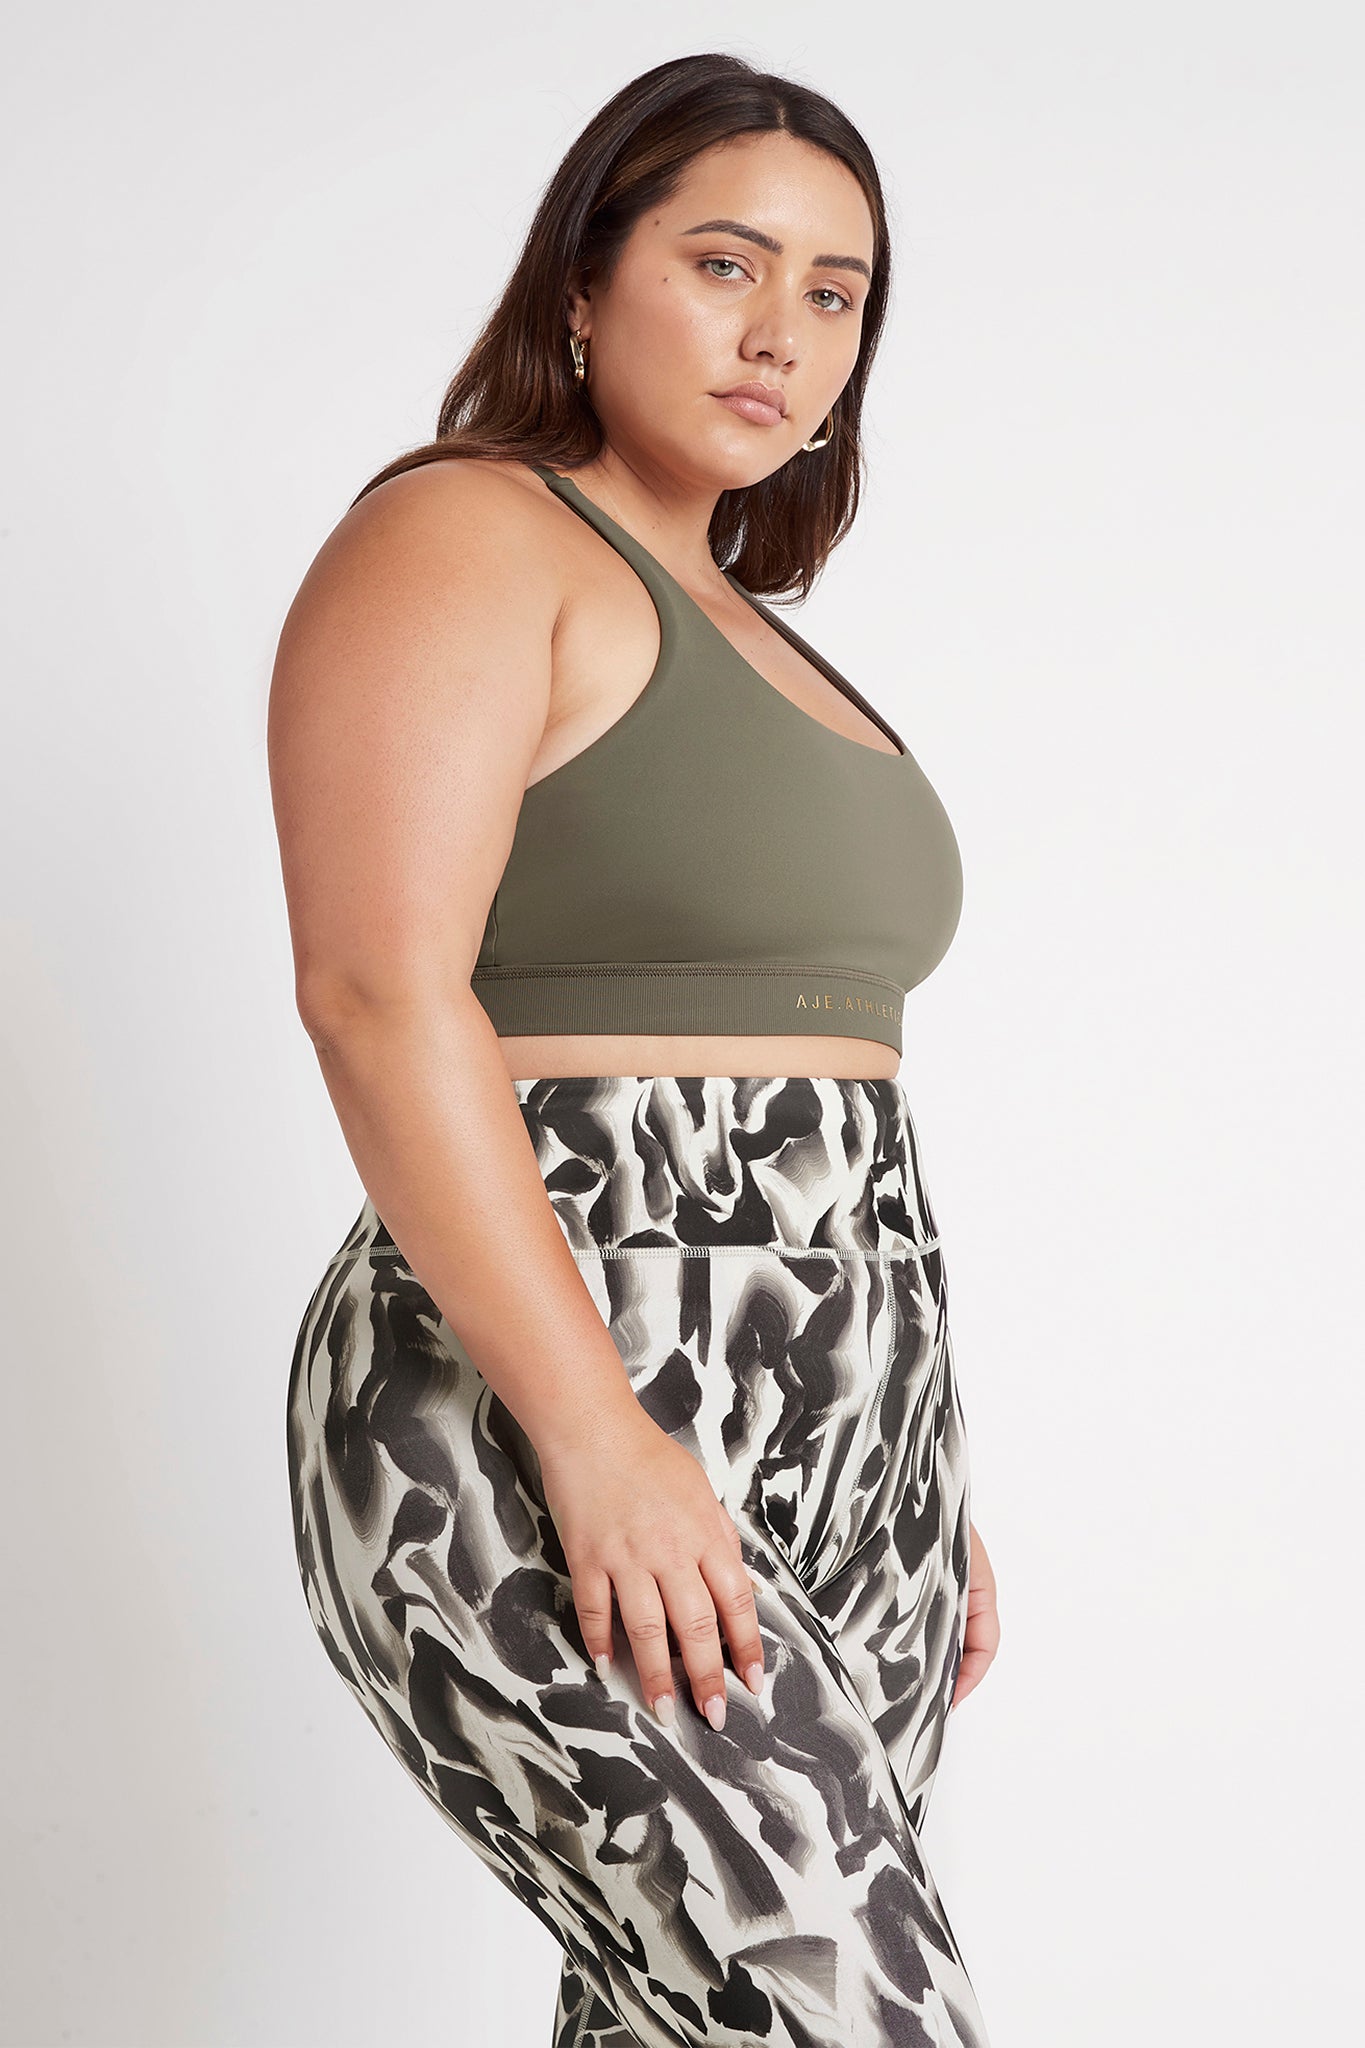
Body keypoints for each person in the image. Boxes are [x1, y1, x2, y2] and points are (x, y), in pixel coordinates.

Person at [270, 50, 999, 2048]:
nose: (782, 333)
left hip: (842, 1432)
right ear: (581, 286)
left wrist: (914, 1469)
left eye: (835, 292)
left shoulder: (753, 622)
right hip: (545, 1393)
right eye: (722, 263)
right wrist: (594, 1438)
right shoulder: (468, 535)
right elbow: (374, 989)